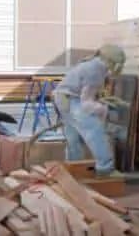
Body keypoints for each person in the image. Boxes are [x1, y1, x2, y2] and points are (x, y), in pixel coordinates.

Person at [53, 44, 126, 176]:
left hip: (62, 98)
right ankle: (105, 169)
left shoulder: (92, 64)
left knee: (73, 137)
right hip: (71, 100)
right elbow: (86, 102)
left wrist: (103, 100)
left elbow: (85, 92)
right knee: (95, 130)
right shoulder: (96, 70)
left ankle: (73, 168)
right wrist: (104, 109)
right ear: (112, 61)